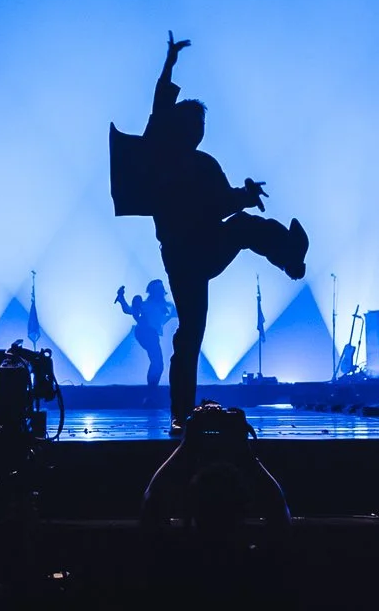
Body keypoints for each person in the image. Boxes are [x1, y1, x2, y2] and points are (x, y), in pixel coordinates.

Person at [120, 32, 308, 425]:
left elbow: (225, 204)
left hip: (206, 247)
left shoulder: (206, 164)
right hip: (181, 257)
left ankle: (290, 255)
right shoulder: (161, 155)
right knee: (189, 335)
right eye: (192, 121)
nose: (198, 129)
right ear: (178, 126)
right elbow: (159, 105)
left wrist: (246, 193)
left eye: (202, 123)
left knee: (242, 226)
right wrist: (170, 62)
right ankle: (180, 414)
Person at [117, 281, 176, 392]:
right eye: (157, 290)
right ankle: (151, 391)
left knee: (157, 363)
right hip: (145, 332)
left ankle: (151, 390)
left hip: (151, 334)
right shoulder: (146, 305)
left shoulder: (168, 306)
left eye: (161, 289)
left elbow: (178, 313)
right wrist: (122, 298)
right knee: (157, 363)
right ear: (152, 292)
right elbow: (129, 310)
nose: (160, 292)